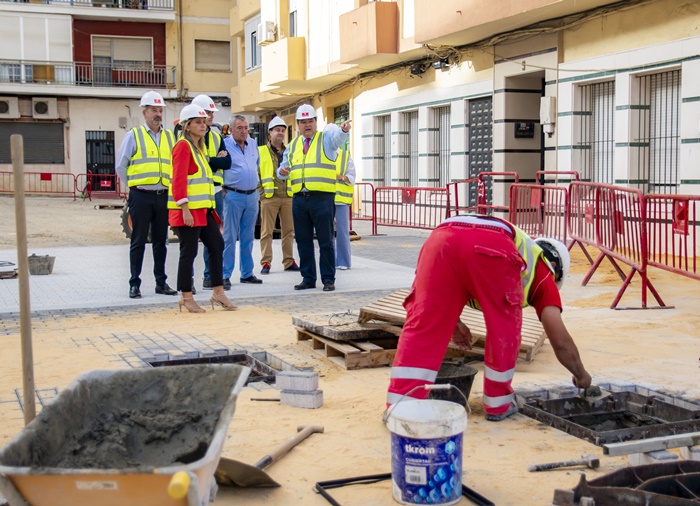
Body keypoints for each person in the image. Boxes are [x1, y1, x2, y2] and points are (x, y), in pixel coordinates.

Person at [386, 215, 592, 421]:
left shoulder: (523, 246)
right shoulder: (545, 273)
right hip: (491, 246)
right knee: (504, 329)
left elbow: (442, 289)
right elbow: (560, 341)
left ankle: (401, 407)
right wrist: (581, 375)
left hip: (440, 239)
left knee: (423, 326)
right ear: (555, 265)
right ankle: (498, 404)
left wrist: (454, 322)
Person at [167, 104, 236, 313]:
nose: (203, 125)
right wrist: (184, 209)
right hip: (188, 211)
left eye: (203, 121)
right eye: (197, 122)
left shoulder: (200, 147)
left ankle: (218, 292)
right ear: (187, 126)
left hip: (204, 210)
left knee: (216, 245)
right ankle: (186, 297)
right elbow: (178, 179)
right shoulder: (183, 147)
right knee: (188, 252)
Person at [278, 104, 351, 292]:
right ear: (298, 125)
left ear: (316, 122)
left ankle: (328, 279)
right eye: (303, 122)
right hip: (300, 199)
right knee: (303, 240)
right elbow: (283, 168)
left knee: (326, 240)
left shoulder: (325, 139)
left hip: (322, 198)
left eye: (310, 121)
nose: (307, 125)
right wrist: (282, 171)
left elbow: (337, 140)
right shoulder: (293, 145)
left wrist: (343, 131)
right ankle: (308, 277)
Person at [115, 90, 177, 299]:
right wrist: (134, 185)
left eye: (160, 110)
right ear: (144, 112)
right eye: (153, 110)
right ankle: (135, 283)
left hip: (163, 196)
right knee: (138, 240)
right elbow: (121, 166)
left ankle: (161, 282)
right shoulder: (134, 135)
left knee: (161, 241)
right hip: (140, 195)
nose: (158, 114)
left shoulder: (170, 137)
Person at [189, 95, 231, 290]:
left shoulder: (216, 136)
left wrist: (209, 159)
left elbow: (227, 162)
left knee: (213, 238)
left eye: (212, 113)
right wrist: (214, 159)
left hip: (214, 192)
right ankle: (188, 280)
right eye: (207, 113)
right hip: (194, 193)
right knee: (189, 241)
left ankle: (209, 277)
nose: (211, 116)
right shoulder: (187, 139)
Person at [222, 115, 262, 287]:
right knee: (229, 237)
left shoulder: (252, 143)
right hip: (232, 195)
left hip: (252, 195)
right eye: (240, 128)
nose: (244, 131)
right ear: (231, 130)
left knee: (248, 237)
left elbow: (256, 164)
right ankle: (224, 274)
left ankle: (246, 273)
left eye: (246, 128)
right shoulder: (224, 144)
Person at [258, 116, 300, 275]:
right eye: (277, 130)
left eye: (283, 131)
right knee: (266, 231)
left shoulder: (290, 151)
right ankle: (266, 262)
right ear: (270, 132)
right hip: (269, 197)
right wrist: (261, 193)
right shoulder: (261, 151)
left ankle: (288, 261)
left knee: (289, 231)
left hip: (288, 196)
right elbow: (256, 174)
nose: (280, 133)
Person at [334, 149, 355, 270]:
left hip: (341, 200)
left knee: (342, 231)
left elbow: (352, 176)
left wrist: (340, 177)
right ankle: (329, 260)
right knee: (326, 232)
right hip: (324, 199)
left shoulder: (344, 156)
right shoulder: (320, 153)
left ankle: (343, 261)